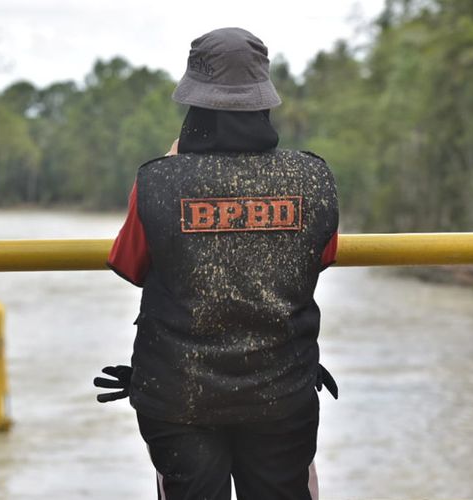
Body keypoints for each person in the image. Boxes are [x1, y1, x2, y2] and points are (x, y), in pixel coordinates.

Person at [94, 27, 339, 500]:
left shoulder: (158, 181)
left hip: (177, 397)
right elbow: (320, 257)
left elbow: (130, 265)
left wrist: (173, 166)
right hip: (282, 393)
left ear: (194, 106)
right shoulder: (312, 178)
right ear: (264, 103)